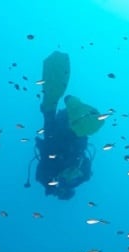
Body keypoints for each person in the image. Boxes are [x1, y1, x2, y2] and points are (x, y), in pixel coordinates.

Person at [26, 51, 103, 200]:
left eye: (60, 190)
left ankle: (66, 103)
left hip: (53, 137)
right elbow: (86, 167)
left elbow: (40, 171)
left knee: (49, 107)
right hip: (74, 135)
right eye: (66, 188)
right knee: (96, 122)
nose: (64, 185)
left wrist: (52, 182)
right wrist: (77, 174)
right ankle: (73, 104)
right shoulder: (80, 178)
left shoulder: (46, 178)